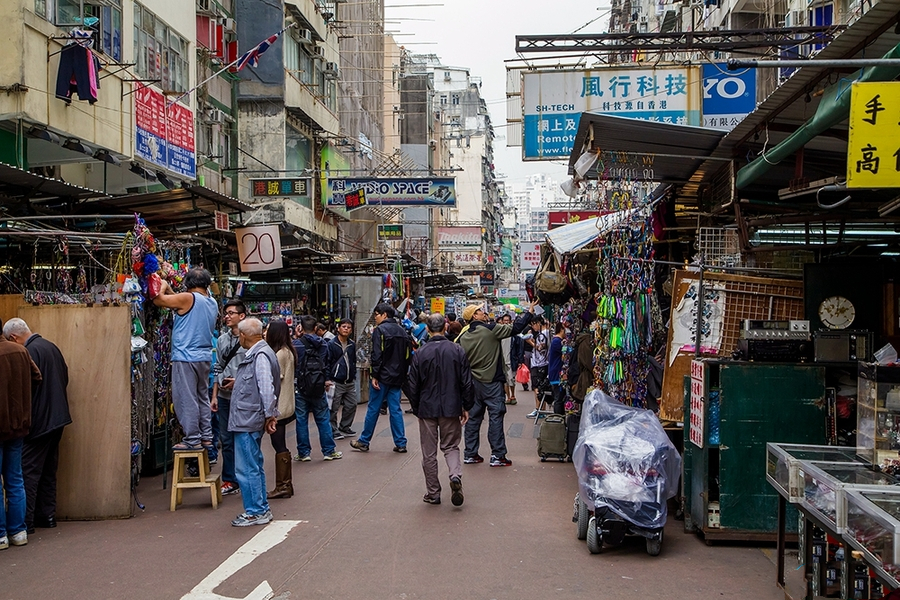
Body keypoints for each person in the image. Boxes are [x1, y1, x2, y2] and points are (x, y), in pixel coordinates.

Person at [3, 319, 72, 534]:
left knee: (28, 472)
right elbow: (65, 377)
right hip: (58, 418)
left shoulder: (28, 352)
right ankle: (48, 515)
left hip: (39, 421)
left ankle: (26, 521)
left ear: (13, 338)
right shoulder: (51, 347)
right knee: (49, 470)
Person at [456, 300, 536, 467]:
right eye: (479, 311)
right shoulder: (490, 329)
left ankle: (470, 453)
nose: (483, 313)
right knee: (496, 417)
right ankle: (497, 455)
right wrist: (528, 313)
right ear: (474, 316)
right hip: (491, 382)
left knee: (473, 419)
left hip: (472, 383)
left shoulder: (463, 336)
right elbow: (515, 328)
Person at [406, 313, 474, 506]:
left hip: (427, 408)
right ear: (445, 328)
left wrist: (416, 406)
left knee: (429, 452)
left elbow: (413, 384)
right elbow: (466, 382)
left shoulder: (420, 353)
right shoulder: (457, 350)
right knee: (451, 446)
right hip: (451, 407)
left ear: (427, 329)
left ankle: (433, 492)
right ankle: (455, 476)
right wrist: (465, 406)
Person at [153, 268, 218, 452]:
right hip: (203, 358)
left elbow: (159, 299)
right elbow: (179, 302)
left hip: (185, 357)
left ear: (187, 284)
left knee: (186, 398)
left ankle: (192, 438)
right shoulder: (211, 302)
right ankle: (206, 436)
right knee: (201, 398)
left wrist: (163, 283)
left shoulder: (188, 299)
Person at [229, 318, 278, 526]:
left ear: (243, 335)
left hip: (247, 419)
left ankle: (256, 511)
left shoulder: (260, 355)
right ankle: (260, 508)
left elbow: (266, 387)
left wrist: (270, 414)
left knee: (247, 467)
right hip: (249, 417)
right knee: (253, 465)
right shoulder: (263, 353)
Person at [0, 318, 41, 549]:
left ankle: (1, 535)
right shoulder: (20, 352)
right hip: (18, 425)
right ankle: (18, 532)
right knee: (15, 479)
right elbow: (37, 378)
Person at [350, 303, 412, 453]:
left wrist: (374, 375)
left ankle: (364, 440)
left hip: (382, 377)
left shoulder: (380, 331)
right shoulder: (402, 332)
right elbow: (408, 356)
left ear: (384, 315)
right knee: (395, 410)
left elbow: (376, 355)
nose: (375, 317)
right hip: (397, 378)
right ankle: (401, 442)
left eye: (377, 314)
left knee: (373, 408)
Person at [293, 315, 343, 462]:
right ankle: (329, 451)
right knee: (323, 419)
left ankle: (304, 453)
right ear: (316, 328)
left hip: (300, 386)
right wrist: (326, 379)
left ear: (301, 327)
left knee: (301, 420)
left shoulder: (296, 344)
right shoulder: (323, 344)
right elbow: (326, 364)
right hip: (319, 385)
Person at [211, 300, 247, 497]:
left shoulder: (250, 339)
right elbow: (217, 367)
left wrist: (239, 382)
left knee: (243, 437)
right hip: (224, 397)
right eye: (226, 313)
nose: (227, 316)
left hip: (243, 397)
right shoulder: (222, 340)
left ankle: (245, 477)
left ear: (241, 316)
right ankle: (229, 479)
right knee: (226, 439)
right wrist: (214, 395)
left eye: (231, 313)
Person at [265, 320, 296, 499]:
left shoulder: (279, 354)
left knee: (278, 444)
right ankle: (285, 484)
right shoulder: (289, 351)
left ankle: (284, 485)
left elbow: (274, 378)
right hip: (287, 404)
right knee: (279, 443)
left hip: (279, 406)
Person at [328, 319, 358, 439]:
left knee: (352, 404)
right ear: (338, 328)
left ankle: (345, 426)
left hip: (349, 381)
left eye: (348, 327)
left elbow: (353, 360)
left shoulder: (351, 344)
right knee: (334, 407)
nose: (346, 329)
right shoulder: (331, 344)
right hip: (336, 381)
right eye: (344, 326)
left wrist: (353, 374)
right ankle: (333, 429)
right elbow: (328, 362)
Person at [526, 318, 550, 419]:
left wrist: (529, 341)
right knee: (540, 387)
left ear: (538, 323)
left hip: (539, 363)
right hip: (542, 363)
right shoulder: (547, 332)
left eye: (533, 324)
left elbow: (540, 348)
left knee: (537, 387)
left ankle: (538, 409)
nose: (533, 327)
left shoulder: (543, 334)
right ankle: (541, 409)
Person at [547, 322, 567, 415]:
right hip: (556, 374)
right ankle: (558, 418)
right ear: (562, 329)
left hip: (556, 373)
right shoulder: (557, 342)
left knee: (560, 398)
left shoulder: (557, 341)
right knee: (558, 398)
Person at [498, 314, 517, 405]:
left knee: (511, 380)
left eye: (507, 320)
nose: (506, 322)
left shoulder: (513, 334)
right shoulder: (499, 333)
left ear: (510, 321)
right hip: (502, 361)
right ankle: (508, 397)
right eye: (504, 320)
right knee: (505, 381)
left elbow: (518, 347)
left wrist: (519, 360)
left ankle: (513, 395)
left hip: (511, 361)